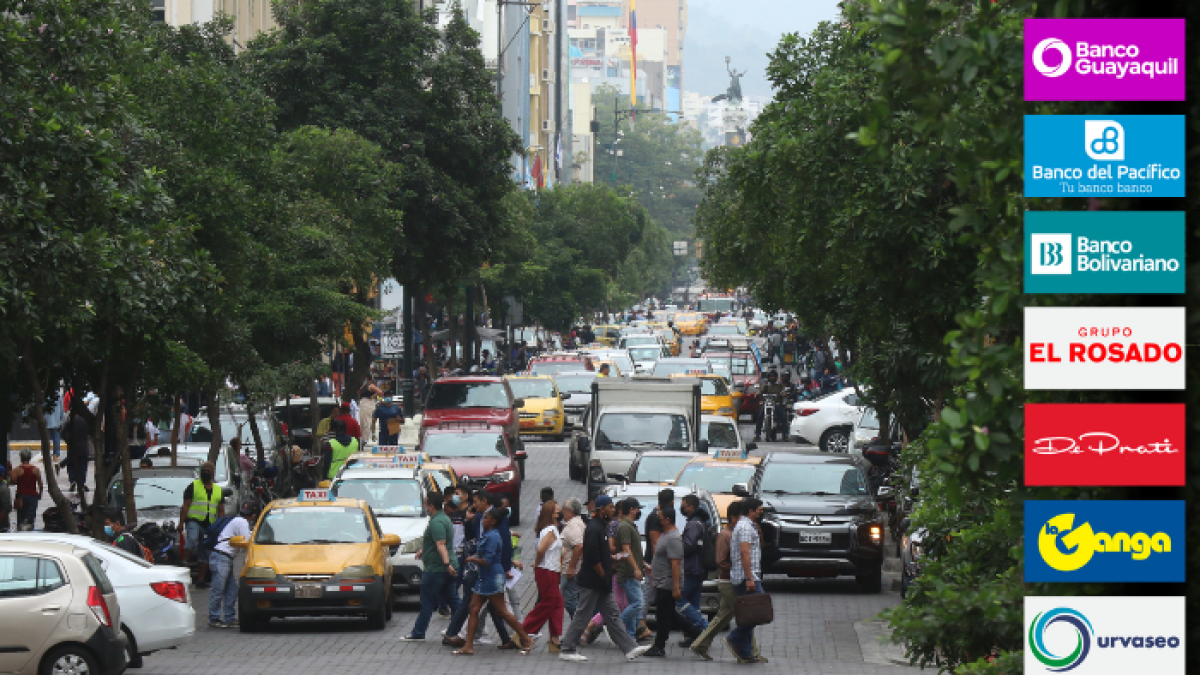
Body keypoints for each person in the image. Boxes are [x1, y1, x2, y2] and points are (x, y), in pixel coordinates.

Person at [557, 495, 651, 663]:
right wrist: (602, 575)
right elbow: (593, 557)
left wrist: (615, 558)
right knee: (582, 615)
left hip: (602, 583)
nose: (613, 510)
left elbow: (603, 554)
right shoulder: (594, 528)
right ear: (601, 509)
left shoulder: (603, 526)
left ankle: (629, 648)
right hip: (593, 582)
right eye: (610, 507)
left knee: (613, 616)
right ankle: (567, 648)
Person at [452, 508, 533, 655]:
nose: (483, 520)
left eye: (486, 518)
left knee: (502, 610)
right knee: (474, 608)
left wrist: (472, 559)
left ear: (492, 521)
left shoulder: (493, 537)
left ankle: (525, 638)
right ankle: (468, 646)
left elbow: (488, 560)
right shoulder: (488, 534)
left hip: (492, 577)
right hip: (484, 577)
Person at [444, 491, 512, 648]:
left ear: (484, 501)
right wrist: (468, 521)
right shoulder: (479, 518)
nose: (473, 505)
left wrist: (507, 567)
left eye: (476, 501)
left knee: (483, 605)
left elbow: (506, 542)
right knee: (490, 607)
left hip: (489, 568)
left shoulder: (494, 518)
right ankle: (508, 638)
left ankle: (458, 635)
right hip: (478, 567)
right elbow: (471, 538)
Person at [401, 492, 461, 641]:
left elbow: (441, 544)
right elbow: (439, 542)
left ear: (431, 505)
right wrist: (424, 550)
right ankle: (461, 627)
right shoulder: (443, 519)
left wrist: (446, 564)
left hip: (436, 569)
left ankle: (418, 632)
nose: (424, 506)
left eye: (426, 503)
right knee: (454, 600)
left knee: (427, 602)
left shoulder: (437, 522)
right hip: (444, 568)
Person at [521, 500, 564, 651]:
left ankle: (554, 637)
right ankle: (524, 630)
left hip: (551, 569)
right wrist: (537, 563)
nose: (558, 513)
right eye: (556, 511)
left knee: (557, 604)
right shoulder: (551, 530)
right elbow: (541, 550)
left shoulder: (552, 529)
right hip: (547, 570)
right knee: (548, 603)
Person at [727, 498, 766, 664]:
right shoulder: (744, 528)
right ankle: (734, 638)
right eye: (759, 509)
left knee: (749, 614)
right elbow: (744, 553)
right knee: (759, 611)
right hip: (746, 577)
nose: (761, 512)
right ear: (751, 511)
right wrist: (749, 577)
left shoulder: (748, 526)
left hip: (750, 575)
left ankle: (745, 653)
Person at [206, 499, 253, 628]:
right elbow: (247, 542)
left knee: (231, 589)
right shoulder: (242, 522)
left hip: (225, 557)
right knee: (218, 589)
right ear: (253, 515)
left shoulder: (237, 520)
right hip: (222, 557)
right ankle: (213, 618)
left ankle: (229, 617)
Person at [644, 506, 682, 657]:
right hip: (661, 581)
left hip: (667, 583)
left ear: (667, 520)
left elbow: (675, 564)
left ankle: (659, 646)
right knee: (669, 614)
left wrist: (676, 587)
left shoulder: (673, 538)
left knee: (663, 616)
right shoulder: (665, 536)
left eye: (660, 519)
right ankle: (696, 632)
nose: (658, 521)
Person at [179, 461, 224, 588]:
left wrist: (221, 527)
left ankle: (201, 579)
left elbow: (221, 510)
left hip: (208, 525)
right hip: (193, 521)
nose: (205, 473)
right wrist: (181, 523)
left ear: (212, 473)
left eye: (208, 471)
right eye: (203, 470)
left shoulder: (218, 490)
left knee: (204, 551)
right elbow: (186, 506)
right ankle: (184, 563)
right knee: (192, 539)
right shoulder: (193, 486)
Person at [614, 497, 647, 641]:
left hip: (631, 572)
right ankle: (617, 624)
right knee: (638, 603)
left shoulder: (630, 526)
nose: (639, 511)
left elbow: (633, 550)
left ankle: (631, 638)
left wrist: (643, 564)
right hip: (628, 573)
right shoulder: (626, 527)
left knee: (635, 604)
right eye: (637, 508)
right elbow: (627, 550)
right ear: (631, 510)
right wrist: (636, 569)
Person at [678, 494, 711, 639]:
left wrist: (676, 546)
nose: (682, 508)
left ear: (691, 507)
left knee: (680, 601)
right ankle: (695, 636)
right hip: (699, 568)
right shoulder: (701, 522)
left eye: (684, 505)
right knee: (694, 603)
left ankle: (704, 626)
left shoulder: (693, 524)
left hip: (691, 568)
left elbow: (688, 545)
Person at [559, 498, 586, 619]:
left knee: (569, 600)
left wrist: (571, 567)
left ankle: (581, 627)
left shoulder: (574, 526)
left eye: (563, 510)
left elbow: (579, 545)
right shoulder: (575, 524)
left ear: (570, 511)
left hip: (572, 571)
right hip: (573, 569)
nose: (562, 512)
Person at [65, 397, 95, 493]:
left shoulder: (70, 420)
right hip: (83, 446)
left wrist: (68, 440)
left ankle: (73, 480)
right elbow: (91, 432)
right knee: (83, 465)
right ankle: (81, 482)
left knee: (71, 464)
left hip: (73, 447)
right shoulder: (85, 421)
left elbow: (62, 431)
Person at [11, 450, 43, 530]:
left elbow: (12, 481)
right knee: (30, 518)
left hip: (21, 495)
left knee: (20, 518)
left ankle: (20, 531)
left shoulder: (17, 470)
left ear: (21, 458)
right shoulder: (36, 470)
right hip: (32, 496)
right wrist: (40, 494)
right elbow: (40, 484)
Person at [754, 371, 785, 442]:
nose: (772, 378)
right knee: (760, 416)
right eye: (771, 377)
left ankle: (785, 434)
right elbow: (760, 391)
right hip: (767, 403)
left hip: (776, 403)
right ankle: (757, 435)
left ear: (776, 378)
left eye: (773, 377)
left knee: (782, 415)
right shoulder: (766, 386)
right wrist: (758, 393)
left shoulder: (780, 386)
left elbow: (783, 392)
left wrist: (783, 394)